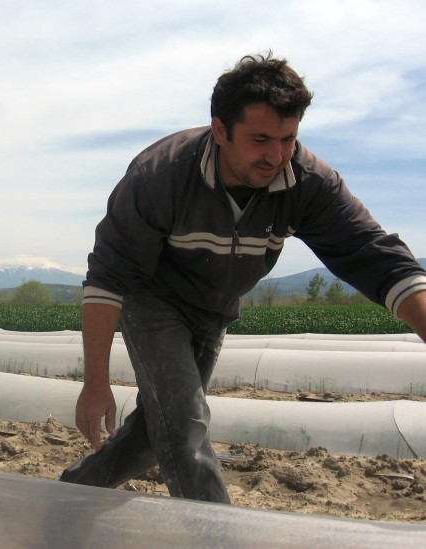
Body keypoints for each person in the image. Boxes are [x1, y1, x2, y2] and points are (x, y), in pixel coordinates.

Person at [59, 52, 426, 503]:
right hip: (153, 298)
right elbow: (109, 277)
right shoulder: (161, 177)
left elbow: (375, 256)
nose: (276, 156)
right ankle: (219, 535)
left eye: (288, 138)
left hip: (215, 309)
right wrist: (95, 381)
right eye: (259, 139)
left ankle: (67, 497)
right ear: (219, 131)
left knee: (155, 438)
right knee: (186, 422)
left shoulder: (306, 183)